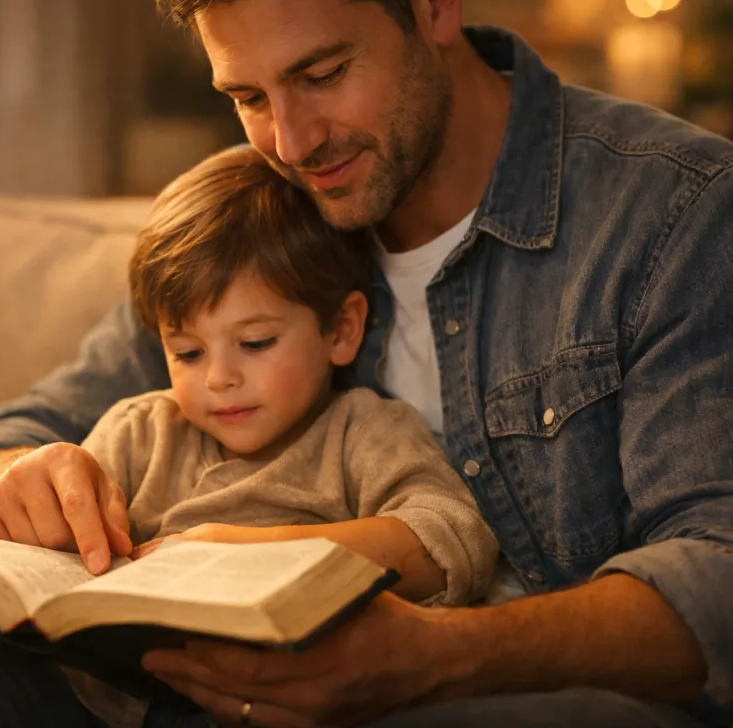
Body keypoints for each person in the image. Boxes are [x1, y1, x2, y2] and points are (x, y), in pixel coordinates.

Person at [0, 0, 733, 727]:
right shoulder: (262, 211)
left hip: (485, 694)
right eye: (246, 95)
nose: (289, 139)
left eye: (321, 74)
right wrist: (9, 477)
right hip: (184, 689)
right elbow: (8, 434)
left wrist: (429, 658)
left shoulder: (677, 213)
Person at [60, 144, 499, 727]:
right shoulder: (139, 432)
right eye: (187, 351)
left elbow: (453, 539)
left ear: (341, 330)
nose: (219, 378)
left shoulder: (361, 432)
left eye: (256, 343)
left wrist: (238, 556)